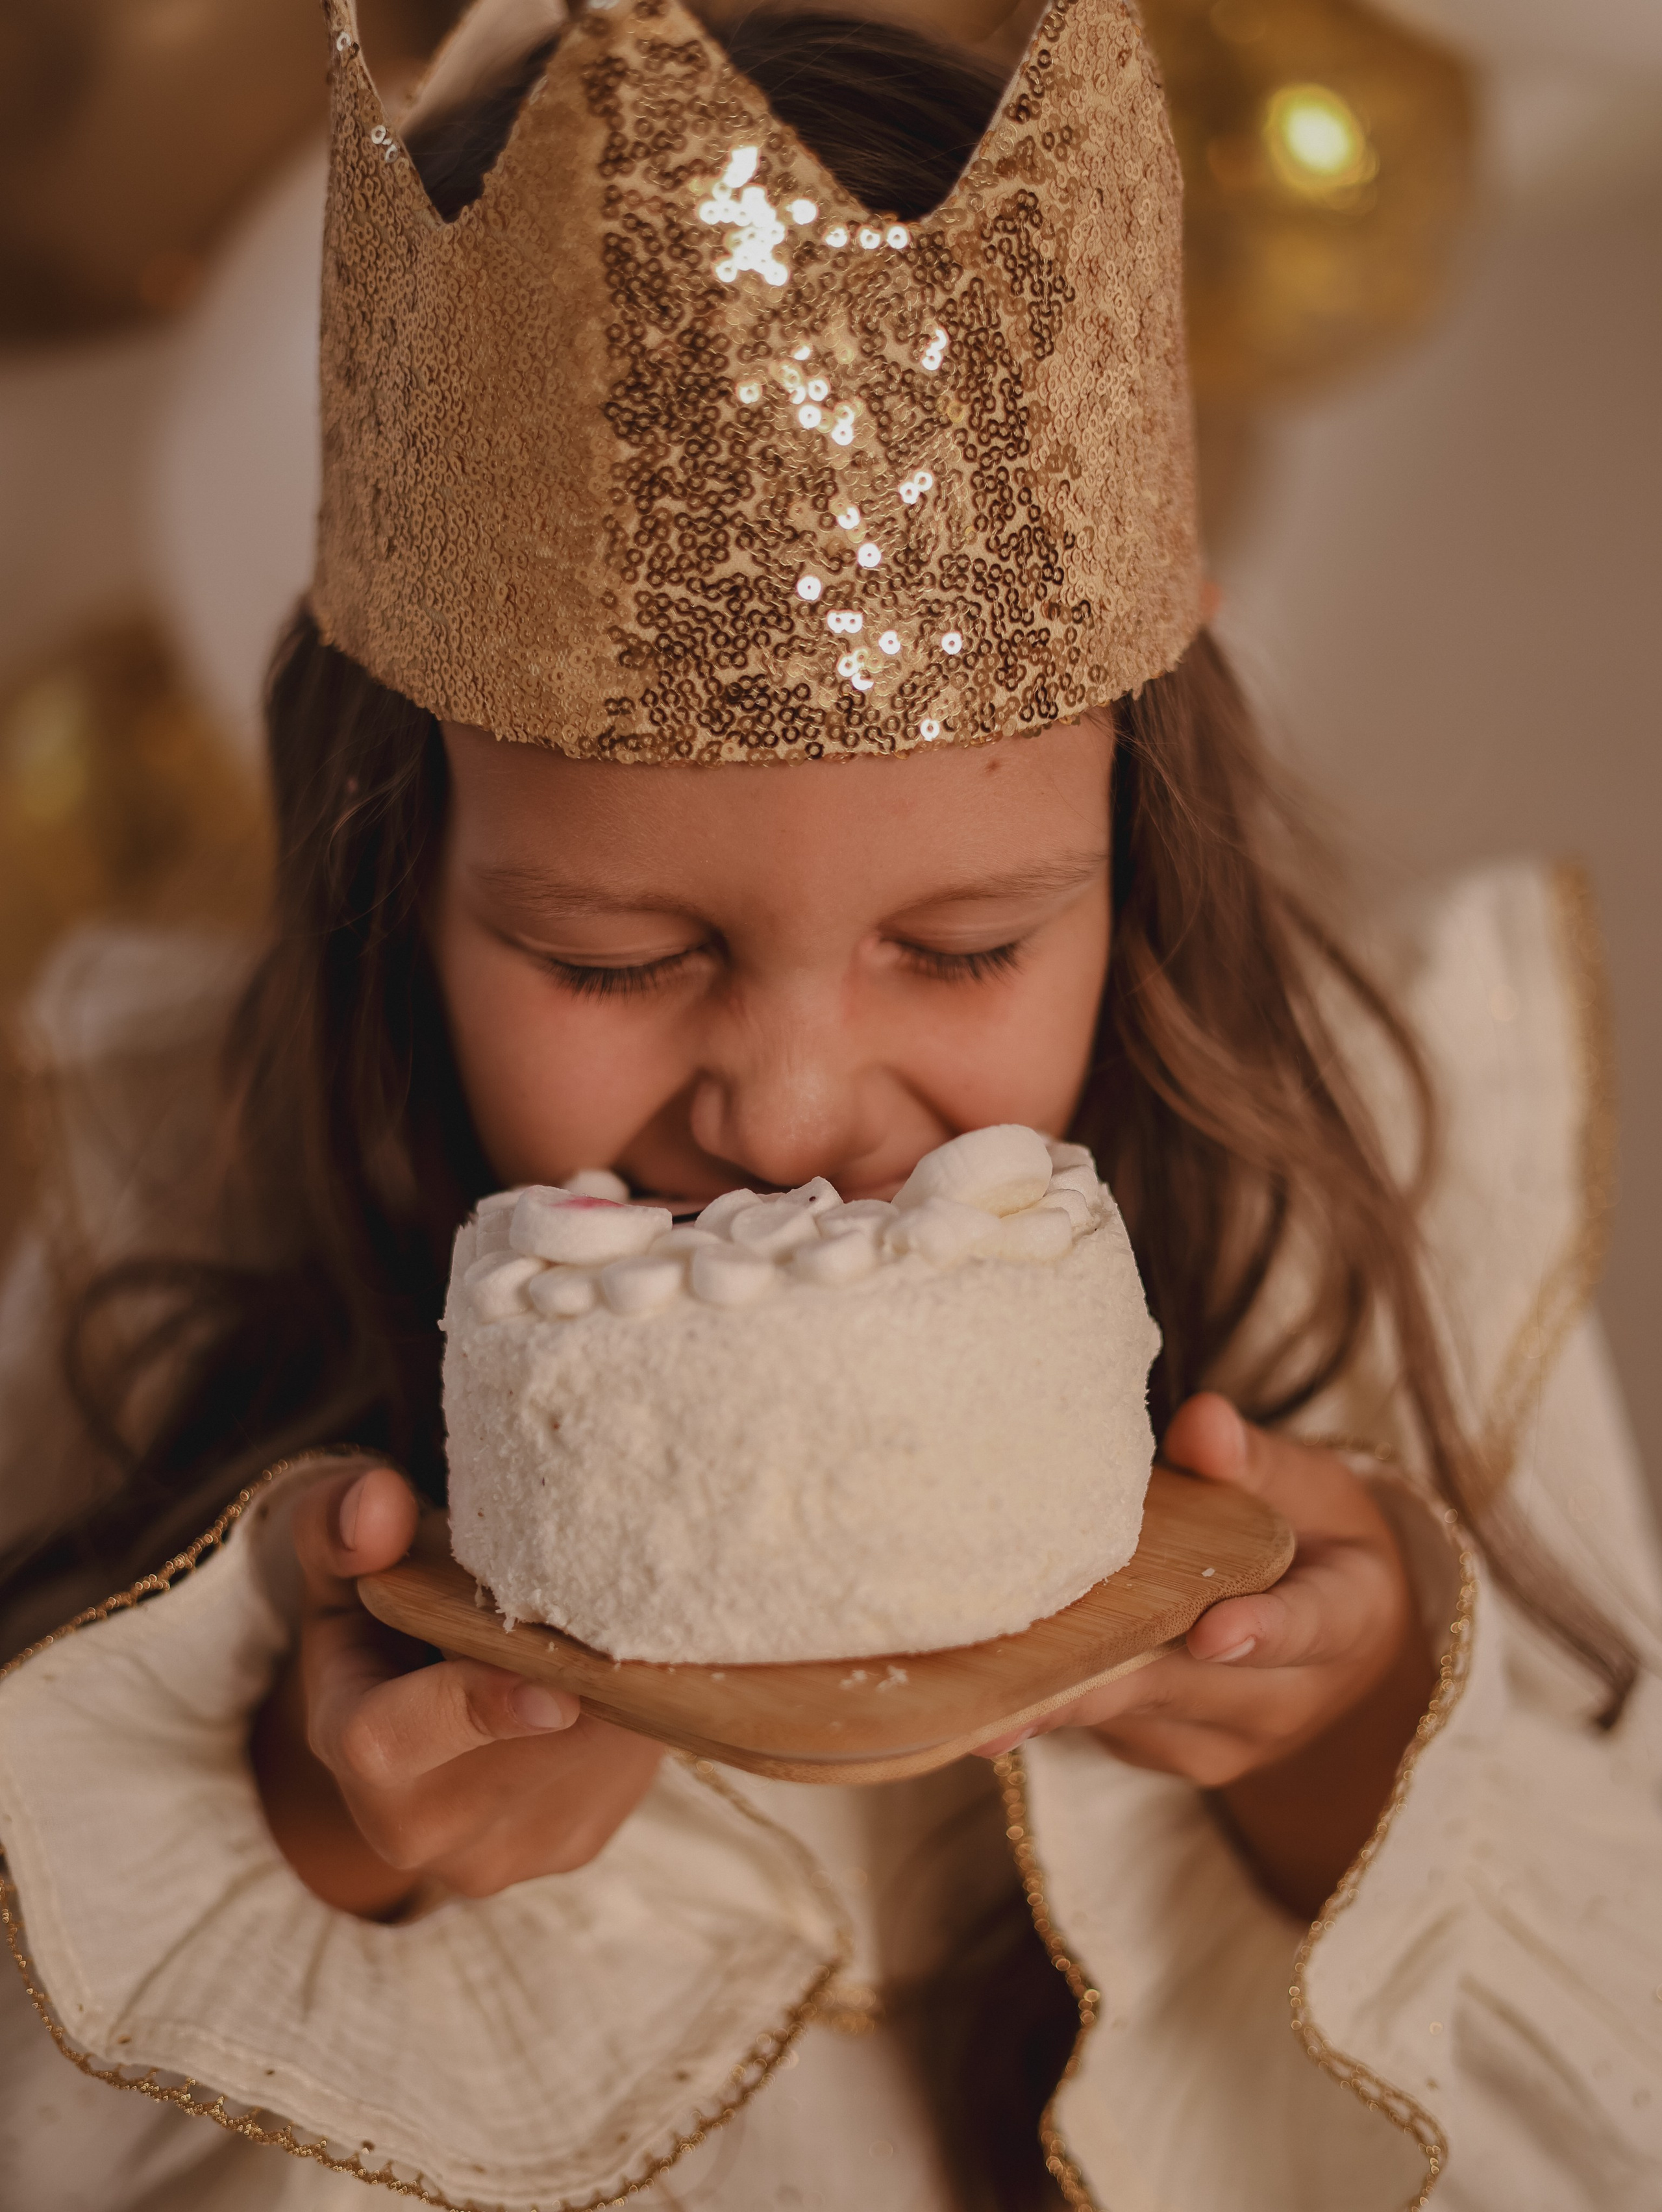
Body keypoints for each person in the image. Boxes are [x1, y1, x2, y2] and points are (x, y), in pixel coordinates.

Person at [1, 2, 1657, 2207]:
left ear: (1136, 858)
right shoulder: (175, 1213)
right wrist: (316, 1854)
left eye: (965, 948)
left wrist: (1346, 1753)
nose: (789, 1112)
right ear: (397, 876)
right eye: (612, 959)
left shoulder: (1357, 1205)